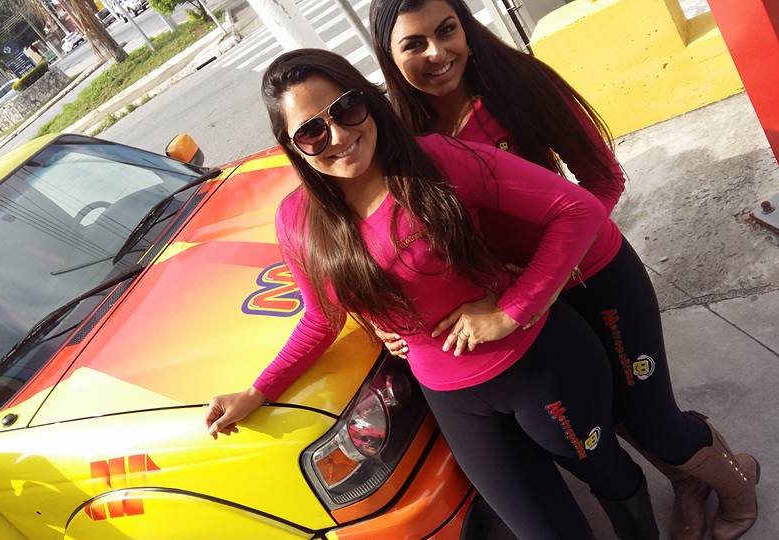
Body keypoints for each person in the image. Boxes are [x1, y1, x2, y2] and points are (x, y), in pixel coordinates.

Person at [205, 48, 661, 539]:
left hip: (540, 365)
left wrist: (514, 309)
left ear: (367, 101)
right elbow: (322, 319)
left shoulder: (436, 161)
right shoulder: (297, 222)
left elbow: (576, 209)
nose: (338, 136)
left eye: (346, 108)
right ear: (292, 147)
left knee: (609, 477)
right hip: (454, 400)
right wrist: (258, 391)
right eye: (312, 131)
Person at [368, 0, 760, 538]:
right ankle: (690, 483)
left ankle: (738, 486)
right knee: (609, 416)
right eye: (414, 44)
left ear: (466, 27)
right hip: (522, 309)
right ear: (388, 56)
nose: (438, 53)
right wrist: (389, 320)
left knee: (651, 417)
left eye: (447, 30)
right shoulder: (394, 137)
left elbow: (604, 181)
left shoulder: (521, 86)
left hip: (593, 280)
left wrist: (541, 280)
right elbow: (372, 230)